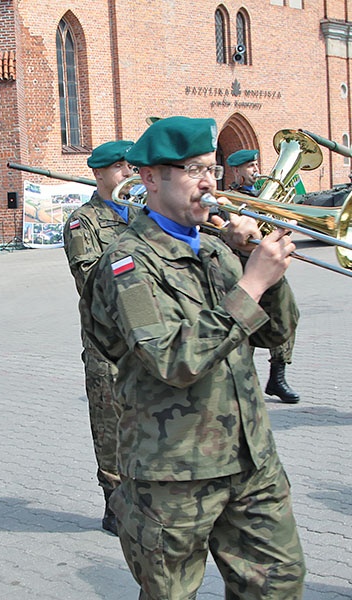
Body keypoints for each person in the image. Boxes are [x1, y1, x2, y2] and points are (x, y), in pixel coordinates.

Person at [85, 116, 305, 599]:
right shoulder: (128, 263)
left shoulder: (217, 250)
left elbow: (277, 335)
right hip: (175, 474)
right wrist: (252, 283)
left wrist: (268, 271)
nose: (209, 183)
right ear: (149, 177)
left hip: (251, 459)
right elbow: (172, 359)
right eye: (191, 170)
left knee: (279, 585)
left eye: (212, 168)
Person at [62, 140, 135, 536]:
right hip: (107, 343)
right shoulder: (83, 221)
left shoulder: (145, 215)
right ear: (99, 173)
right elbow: (91, 280)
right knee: (110, 423)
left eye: (132, 166)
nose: (129, 174)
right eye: (121, 167)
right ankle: (113, 502)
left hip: (147, 339)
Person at [226, 149, 301, 404]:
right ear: (236, 171)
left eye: (255, 165)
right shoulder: (229, 200)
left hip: (270, 266)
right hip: (242, 267)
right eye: (249, 166)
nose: (255, 170)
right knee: (245, 322)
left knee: (288, 315)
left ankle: (277, 377)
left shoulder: (261, 194)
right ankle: (242, 377)